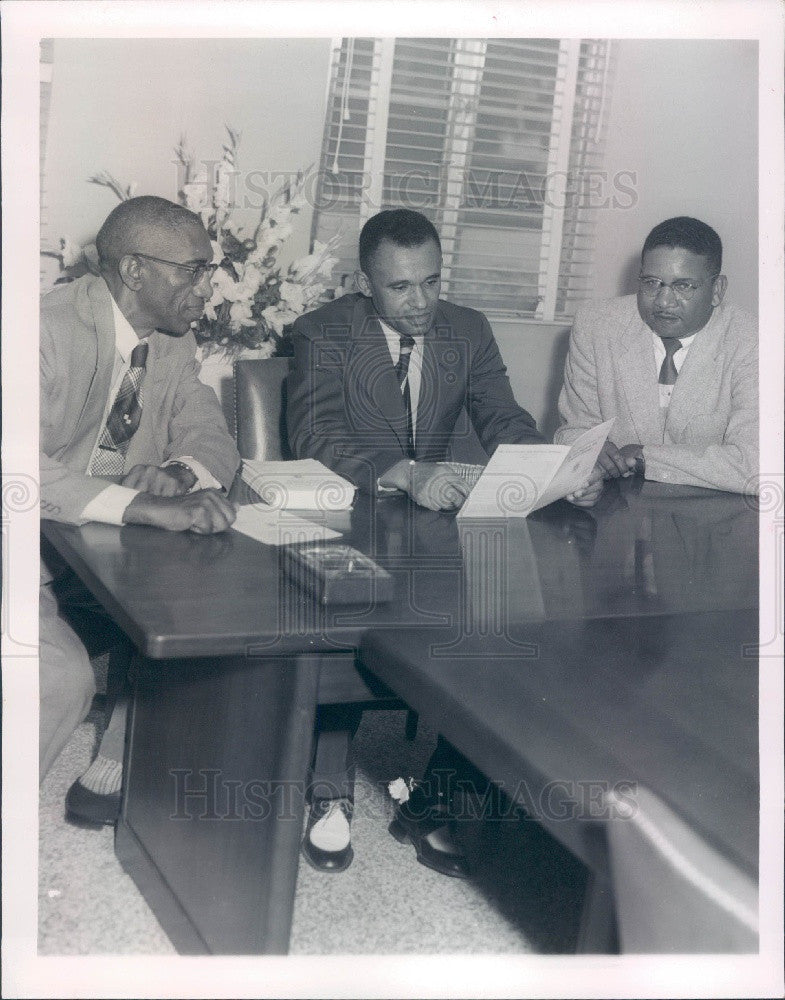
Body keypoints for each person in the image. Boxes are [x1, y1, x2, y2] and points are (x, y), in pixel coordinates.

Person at [287, 208, 601, 877]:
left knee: (504, 621)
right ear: (364, 281)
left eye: (431, 281)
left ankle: (436, 796)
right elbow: (312, 436)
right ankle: (326, 794)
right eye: (401, 287)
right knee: (342, 636)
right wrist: (404, 472)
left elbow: (502, 418)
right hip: (349, 520)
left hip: (429, 534)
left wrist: (553, 467)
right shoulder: (322, 332)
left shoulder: (468, 329)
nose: (421, 301)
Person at [40, 196, 240, 822]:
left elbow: (212, 436)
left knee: (194, 606)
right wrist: (140, 507)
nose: (210, 287)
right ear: (133, 271)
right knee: (61, 681)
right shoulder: (41, 329)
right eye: (194, 270)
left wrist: (179, 474)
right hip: (24, 549)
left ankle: (123, 749)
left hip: (97, 555)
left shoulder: (171, 343)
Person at [554, 216, 758, 494]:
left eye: (683, 286)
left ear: (717, 290)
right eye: (651, 283)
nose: (663, 302)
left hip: (713, 519)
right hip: (616, 515)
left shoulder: (753, 341)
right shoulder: (595, 326)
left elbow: (757, 464)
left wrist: (644, 457)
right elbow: (573, 431)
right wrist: (586, 455)